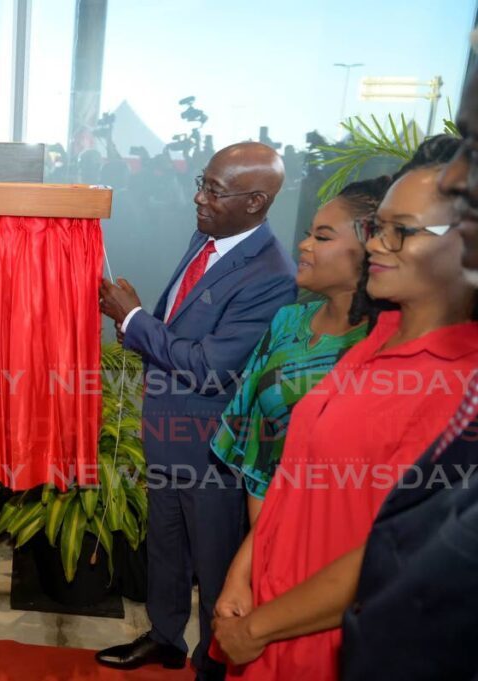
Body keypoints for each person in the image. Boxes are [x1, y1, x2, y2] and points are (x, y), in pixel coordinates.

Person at [212, 65, 478, 681]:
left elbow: (395, 555)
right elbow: (293, 478)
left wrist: (255, 628)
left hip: (319, 641)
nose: (377, 246)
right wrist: (240, 575)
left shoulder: (457, 387)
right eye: (377, 228)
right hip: (265, 616)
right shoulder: (373, 343)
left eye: (401, 232)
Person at [97, 142, 298, 680]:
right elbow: (179, 325)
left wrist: (136, 319)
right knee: (164, 549)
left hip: (212, 451)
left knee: (214, 570)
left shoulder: (272, 275)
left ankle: (214, 664)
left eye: (213, 189)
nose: (198, 197)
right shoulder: (207, 237)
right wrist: (141, 317)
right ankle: (165, 638)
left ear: (256, 201)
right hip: (168, 432)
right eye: (201, 183)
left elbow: (211, 366)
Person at [211, 177, 389, 524]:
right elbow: (258, 450)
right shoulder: (287, 322)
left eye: (322, 237)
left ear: (374, 250)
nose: (304, 245)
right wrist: (261, 551)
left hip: (341, 535)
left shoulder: (385, 346)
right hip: (269, 524)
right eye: (309, 233)